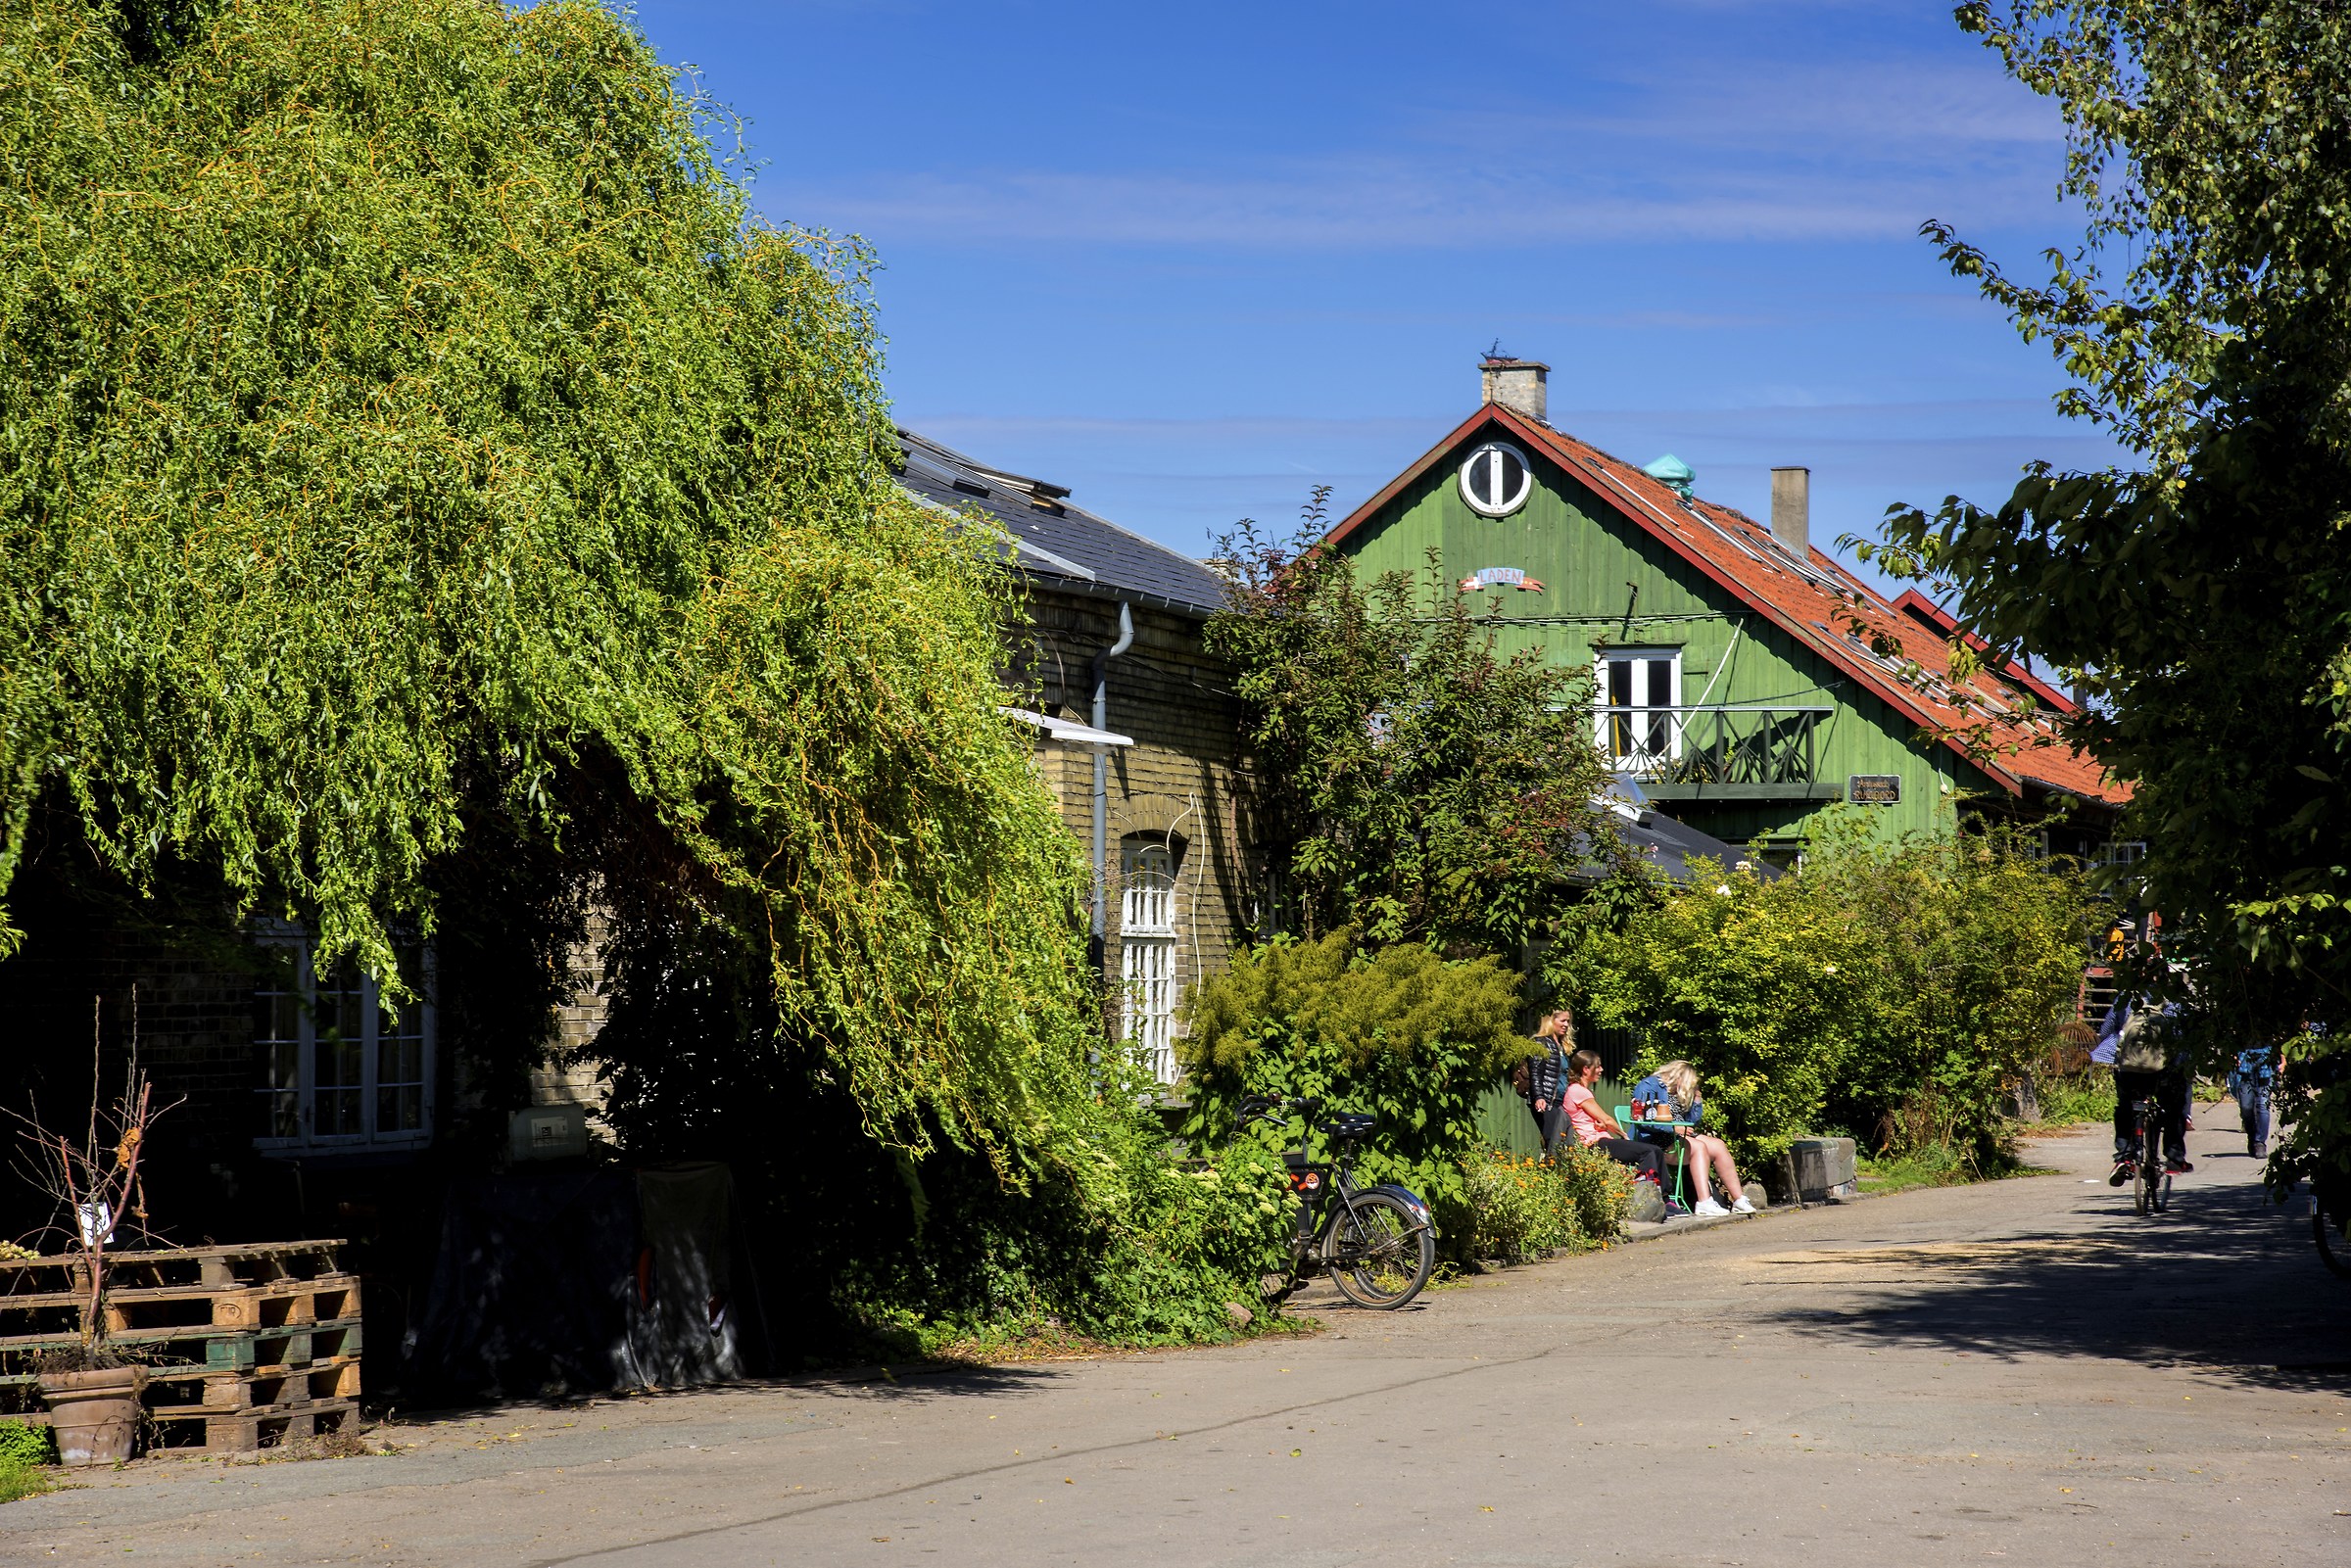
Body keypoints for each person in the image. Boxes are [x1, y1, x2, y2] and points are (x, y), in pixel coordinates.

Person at [1630, 1060, 1757, 1217]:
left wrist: (1697, 1097)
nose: (1689, 1088)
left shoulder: (1676, 1091)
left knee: (1718, 1145)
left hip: (1679, 1136)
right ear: (1678, 1076)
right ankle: (1704, 1202)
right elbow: (1643, 1119)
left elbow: (1693, 1121)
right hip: (1656, 1138)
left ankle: (1739, 1200)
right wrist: (1673, 1128)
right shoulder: (1649, 1085)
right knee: (1698, 1147)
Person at [2097, 995, 2191, 1185]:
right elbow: (2184, 1033)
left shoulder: (2126, 995)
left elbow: (2107, 1029)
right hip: (2164, 1068)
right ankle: (2174, 1158)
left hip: (2130, 1067)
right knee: (2174, 1106)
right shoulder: (2175, 997)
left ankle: (2124, 1156)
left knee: (2125, 1107)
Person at [1559, 1049, 1666, 1189]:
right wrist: (1623, 1135)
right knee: (1647, 1152)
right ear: (1586, 1069)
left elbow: (1598, 1121)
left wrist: (1602, 1126)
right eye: (1597, 1066)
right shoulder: (1578, 1091)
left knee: (1656, 1150)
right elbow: (1607, 1119)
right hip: (1593, 1144)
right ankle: (1645, 1194)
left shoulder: (1581, 1091)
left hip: (1600, 1139)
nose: (1601, 1070)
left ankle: (1665, 1197)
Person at [1525, 1009, 1576, 1155]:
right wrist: (1539, 1097)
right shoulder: (1540, 1043)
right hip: (1547, 1101)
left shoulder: (1562, 1046)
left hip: (1561, 1102)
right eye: (1562, 1021)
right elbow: (1535, 1073)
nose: (1566, 1025)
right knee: (1553, 1141)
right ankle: (1550, 1172)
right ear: (1550, 1021)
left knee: (1564, 1141)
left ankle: (1553, 1170)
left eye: (1568, 1021)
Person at [2229, 1041, 2277, 1160]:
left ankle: (2260, 1142)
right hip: (2244, 1057)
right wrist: (2232, 1056)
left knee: (2262, 1105)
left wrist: (2282, 1060)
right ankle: (2252, 1136)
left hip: (2266, 1057)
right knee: (2246, 1107)